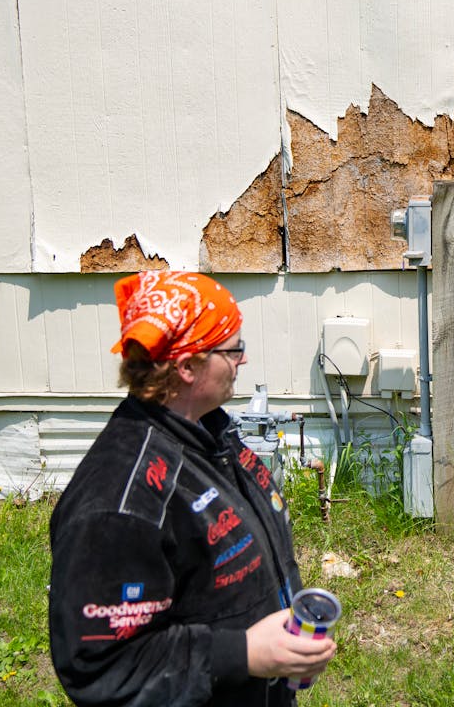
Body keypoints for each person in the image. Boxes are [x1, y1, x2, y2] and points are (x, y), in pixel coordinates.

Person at [48, 271, 336, 706]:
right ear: (186, 367)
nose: (243, 360)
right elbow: (101, 667)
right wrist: (244, 654)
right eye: (233, 348)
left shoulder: (209, 434)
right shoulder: (118, 503)